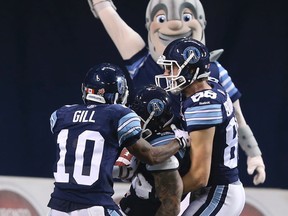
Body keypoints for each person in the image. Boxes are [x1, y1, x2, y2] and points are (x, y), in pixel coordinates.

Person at [87, 0, 266, 187]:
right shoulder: (142, 62)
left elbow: (237, 116)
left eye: (186, 16)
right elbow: (110, 17)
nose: (174, 24)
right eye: (162, 18)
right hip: (152, 158)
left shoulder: (214, 72)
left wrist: (254, 153)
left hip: (197, 161)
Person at [47, 63, 188, 216]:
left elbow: (86, 159)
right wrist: (180, 141)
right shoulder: (117, 114)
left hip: (57, 207)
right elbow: (152, 156)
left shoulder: (61, 115)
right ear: (118, 92)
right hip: (94, 206)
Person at [156, 37, 245, 215]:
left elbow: (199, 177)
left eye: (171, 67)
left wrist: (158, 192)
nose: (166, 74)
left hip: (220, 192)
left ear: (190, 69)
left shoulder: (203, 103)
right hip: (213, 190)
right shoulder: (210, 86)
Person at [118, 84, 189, 216]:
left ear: (154, 115)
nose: (135, 122)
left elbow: (171, 207)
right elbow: (123, 171)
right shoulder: (166, 135)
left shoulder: (163, 149)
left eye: (138, 118)